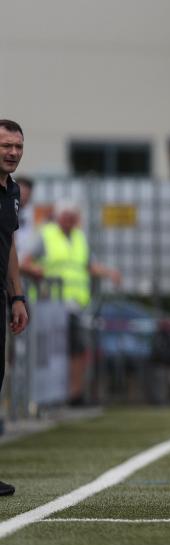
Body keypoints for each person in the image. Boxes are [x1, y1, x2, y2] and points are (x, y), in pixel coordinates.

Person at [22, 198, 121, 402]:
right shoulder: (46, 236)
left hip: (75, 305)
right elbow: (25, 261)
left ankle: (74, 394)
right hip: (49, 304)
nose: (68, 220)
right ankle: (44, 395)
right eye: (65, 216)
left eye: (71, 217)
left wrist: (109, 272)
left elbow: (89, 265)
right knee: (51, 351)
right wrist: (35, 271)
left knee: (76, 348)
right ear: (58, 217)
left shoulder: (79, 238)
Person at [0, 119, 32, 496]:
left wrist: (17, 296)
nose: (12, 153)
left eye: (17, 147)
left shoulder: (12, 191)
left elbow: (9, 245)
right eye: (6, 146)